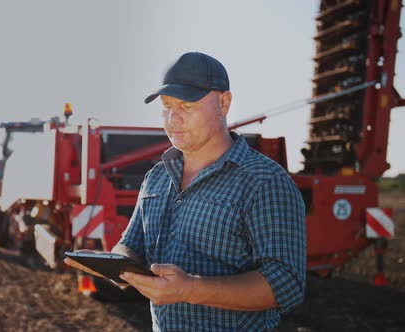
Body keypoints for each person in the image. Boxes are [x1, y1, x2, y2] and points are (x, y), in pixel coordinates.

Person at [66, 52, 306, 331]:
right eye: (166, 106)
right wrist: (117, 266)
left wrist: (190, 289)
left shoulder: (265, 181)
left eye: (186, 105)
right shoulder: (155, 177)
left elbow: (286, 283)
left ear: (224, 103)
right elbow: (131, 244)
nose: (173, 118)